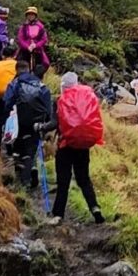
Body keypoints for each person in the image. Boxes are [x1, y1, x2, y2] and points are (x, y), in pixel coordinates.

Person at [44, 72, 105, 225]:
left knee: (63, 181)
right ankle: (95, 207)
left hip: (66, 145)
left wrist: (40, 127)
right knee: (84, 179)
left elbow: (53, 124)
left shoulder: (59, 100)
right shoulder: (87, 96)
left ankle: (58, 214)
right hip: (83, 145)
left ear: (63, 85)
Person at [4, 61, 53, 189]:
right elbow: (49, 109)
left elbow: (7, 103)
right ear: (28, 70)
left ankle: (22, 178)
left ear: (17, 70)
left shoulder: (14, 83)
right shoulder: (41, 86)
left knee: (18, 147)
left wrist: (9, 116)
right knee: (31, 149)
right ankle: (31, 170)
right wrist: (46, 124)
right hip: (37, 123)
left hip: (19, 122)